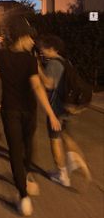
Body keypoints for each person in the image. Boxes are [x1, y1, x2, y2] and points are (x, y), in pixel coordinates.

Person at [0, 14, 61, 216]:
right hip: (28, 111)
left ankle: (23, 196)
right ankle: (27, 176)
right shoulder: (29, 61)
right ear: (22, 37)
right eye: (30, 37)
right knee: (27, 146)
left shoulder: (1, 56)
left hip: (10, 111)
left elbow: (1, 45)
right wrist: (51, 114)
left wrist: (3, 41)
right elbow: (38, 87)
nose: (34, 41)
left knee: (15, 150)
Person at [38, 34, 91, 187]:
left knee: (55, 140)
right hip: (67, 107)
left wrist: (38, 69)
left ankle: (62, 175)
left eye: (43, 48)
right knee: (66, 136)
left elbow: (48, 84)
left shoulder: (53, 64)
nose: (41, 50)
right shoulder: (65, 61)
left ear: (52, 49)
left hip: (56, 108)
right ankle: (77, 160)